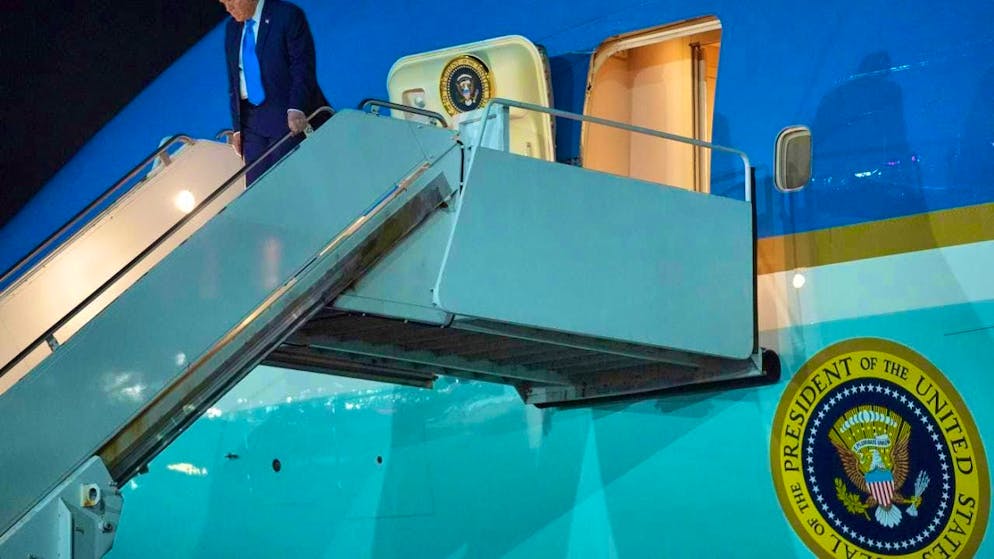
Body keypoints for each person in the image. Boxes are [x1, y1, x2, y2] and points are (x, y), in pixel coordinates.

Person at [220, 0, 330, 182]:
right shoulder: (232, 29)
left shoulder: (286, 15)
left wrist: (297, 107)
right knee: (258, 187)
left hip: (284, 109)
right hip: (251, 122)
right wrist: (237, 129)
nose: (229, 9)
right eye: (224, 3)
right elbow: (234, 82)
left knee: (288, 178)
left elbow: (302, 66)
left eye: (232, 1)